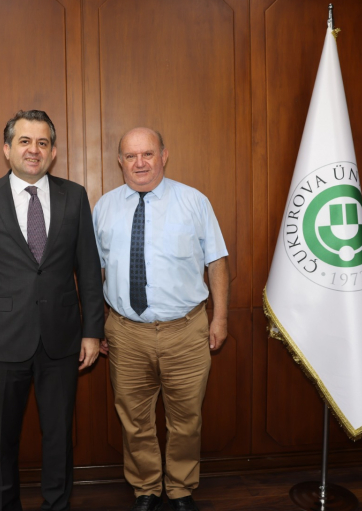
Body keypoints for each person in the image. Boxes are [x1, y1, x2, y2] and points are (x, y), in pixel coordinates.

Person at [0, 110, 105, 511]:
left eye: (42, 142)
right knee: (2, 441)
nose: (33, 150)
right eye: (24, 141)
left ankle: (56, 505)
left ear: (53, 152)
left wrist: (93, 331)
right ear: (7, 149)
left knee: (59, 437)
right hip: (1, 343)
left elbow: (89, 269)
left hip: (62, 339)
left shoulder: (75, 196)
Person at [92, 128, 230, 511]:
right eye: (131, 156)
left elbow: (217, 261)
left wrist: (220, 318)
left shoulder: (194, 201)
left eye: (148, 154)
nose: (140, 163)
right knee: (134, 419)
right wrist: (96, 325)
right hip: (125, 334)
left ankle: (181, 489)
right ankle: (146, 489)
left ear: (164, 156)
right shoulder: (103, 207)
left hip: (186, 331)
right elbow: (94, 272)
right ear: (120, 161)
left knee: (186, 418)